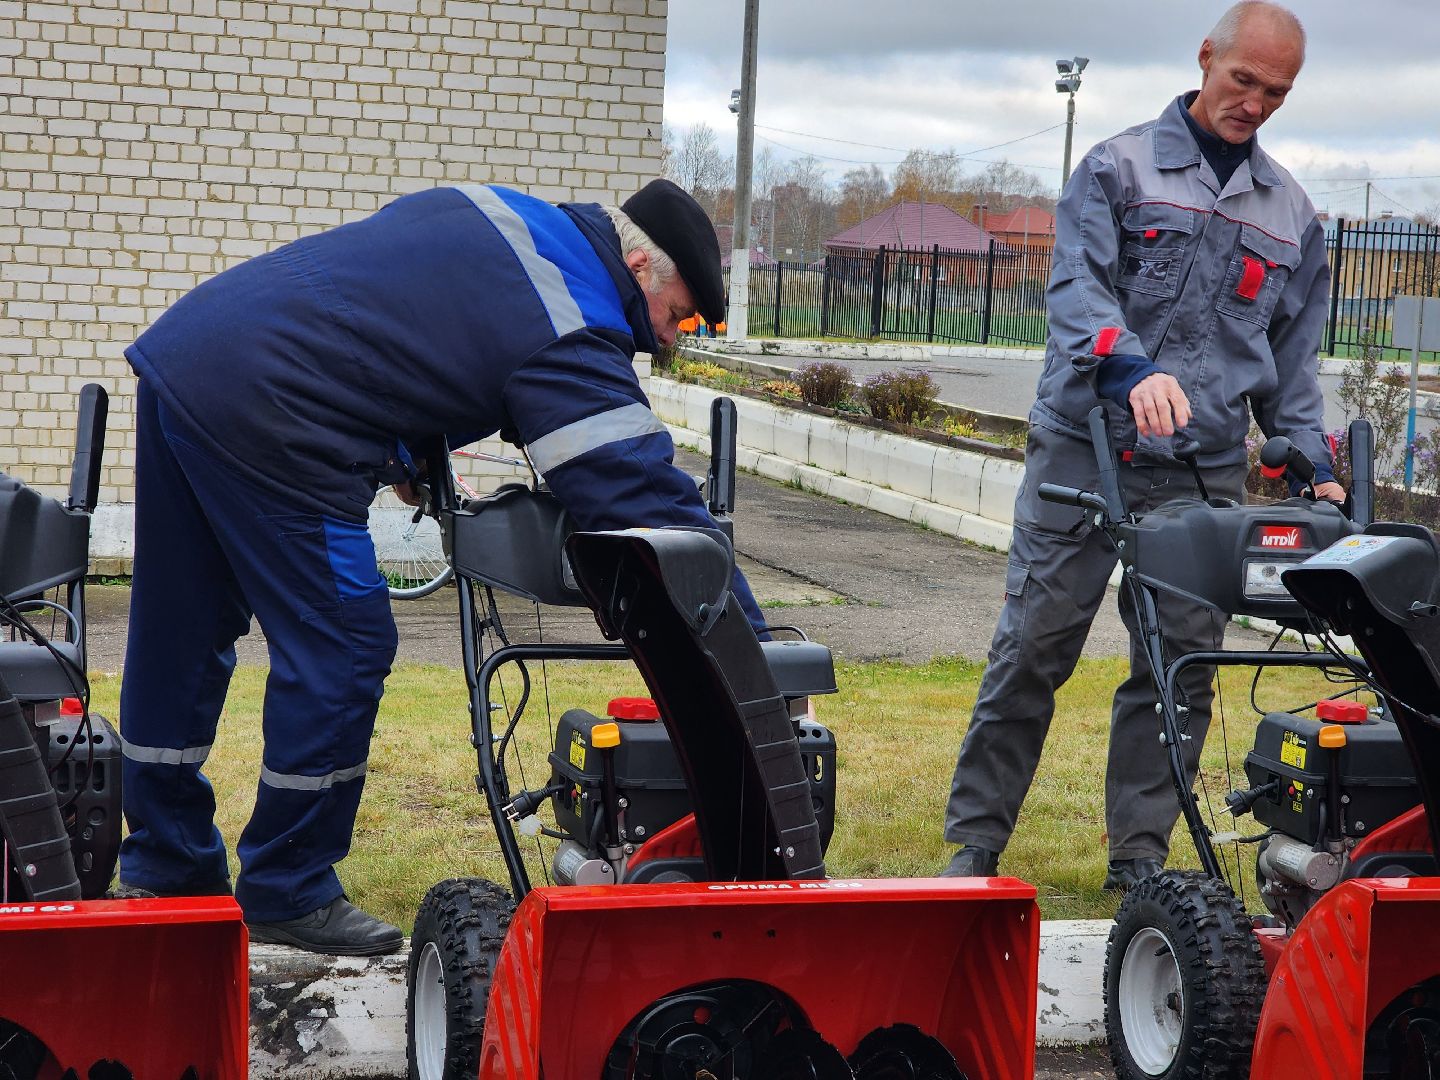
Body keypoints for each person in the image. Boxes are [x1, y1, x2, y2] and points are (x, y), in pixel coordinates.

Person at [116, 178, 767, 955]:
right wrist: (753, 648)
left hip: (191, 356)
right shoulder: (573, 315)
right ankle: (286, 888)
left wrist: (401, 445)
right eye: (681, 315)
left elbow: (396, 315)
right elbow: (644, 499)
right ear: (636, 264)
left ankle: (165, 866)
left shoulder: (512, 217)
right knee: (344, 642)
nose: (671, 339)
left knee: (180, 631)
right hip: (273, 401)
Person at [940, 1, 1343, 888]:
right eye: (1244, 81)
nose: (1256, 104)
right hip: (1087, 449)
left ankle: (1140, 865)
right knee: (1032, 650)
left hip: (1199, 475)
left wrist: (1310, 458)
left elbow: (1290, 362)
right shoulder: (1115, 167)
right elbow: (1080, 291)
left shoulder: (1292, 215)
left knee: (1178, 670)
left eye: (1277, 92)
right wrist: (1131, 368)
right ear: (1207, 58)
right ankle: (973, 852)